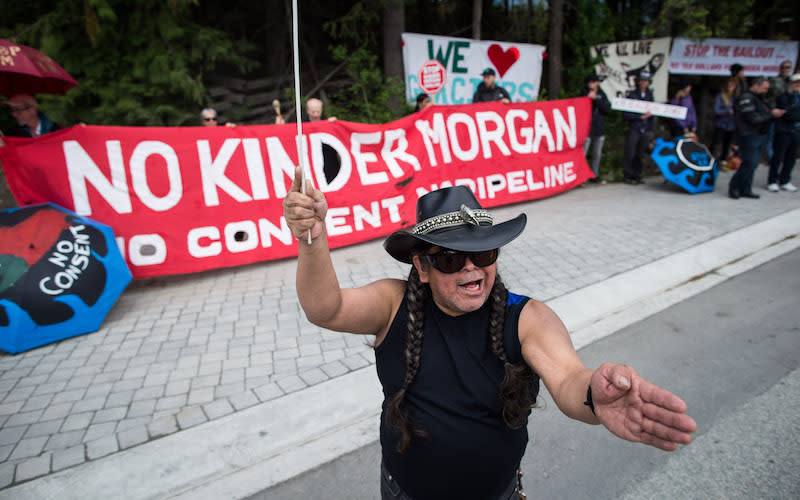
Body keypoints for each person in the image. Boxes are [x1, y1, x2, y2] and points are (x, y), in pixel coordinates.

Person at [283, 173, 697, 500]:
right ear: (422, 268)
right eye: (449, 258)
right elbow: (326, 308)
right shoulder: (393, 304)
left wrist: (596, 394)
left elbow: (570, 380)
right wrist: (312, 238)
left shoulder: (528, 317)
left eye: (483, 253)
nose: (471, 270)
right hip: (403, 492)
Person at [728, 77, 785, 199]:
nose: (766, 90)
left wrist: (774, 114)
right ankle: (735, 187)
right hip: (748, 135)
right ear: (755, 85)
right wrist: (771, 114)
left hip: (759, 135)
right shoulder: (746, 98)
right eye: (764, 88)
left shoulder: (760, 99)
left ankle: (746, 188)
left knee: (754, 164)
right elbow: (752, 118)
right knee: (748, 163)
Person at [767, 73, 800, 193]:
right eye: (796, 83)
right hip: (784, 130)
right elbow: (787, 114)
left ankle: (785, 180)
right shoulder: (784, 97)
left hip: (796, 131)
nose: (798, 85)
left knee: (791, 157)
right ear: (791, 84)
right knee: (778, 156)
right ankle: (772, 181)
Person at [621, 71, 655, 185]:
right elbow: (626, 114)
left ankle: (637, 174)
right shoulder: (632, 95)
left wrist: (650, 129)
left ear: (648, 82)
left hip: (645, 129)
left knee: (640, 153)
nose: (643, 83)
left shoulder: (650, 95)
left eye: (645, 81)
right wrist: (639, 117)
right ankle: (628, 175)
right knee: (630, 152)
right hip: (635, 127)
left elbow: (653, 113)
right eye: (641, 80)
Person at [580, 73, 611, 183]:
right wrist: (588, 98)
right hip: (587, 128)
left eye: (593, 82)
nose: (590, 84)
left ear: (597, 83)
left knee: (597, 153)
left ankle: (594, 174)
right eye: (589, 82)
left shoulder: (602, 94)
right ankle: (580, 176)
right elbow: (578, 106)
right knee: (583, 153)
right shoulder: (584, 92)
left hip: (599, 127)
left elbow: (607, 108)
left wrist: (596, 99)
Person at [765, 60, 794, 162]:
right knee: (771, 137)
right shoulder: (774, 80)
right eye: (783, 67)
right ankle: (771, 158)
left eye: (787, 67)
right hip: (775, 114)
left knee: (786, 139)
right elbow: (766, 96)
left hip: (789, 115)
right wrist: (772, 109)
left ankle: (782, 157)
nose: (785, 69)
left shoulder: (793, 81)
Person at [710, 78, 737, 166]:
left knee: (727, 143)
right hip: (721, 123)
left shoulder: (735, 98)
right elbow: (717, 110)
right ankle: (710, 159)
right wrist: (727, 111)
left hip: (731, 124)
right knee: (716, 142)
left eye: (733, 86)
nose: (731, 88)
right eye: (729, 86)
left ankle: (723, 161)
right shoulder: (720, 97)